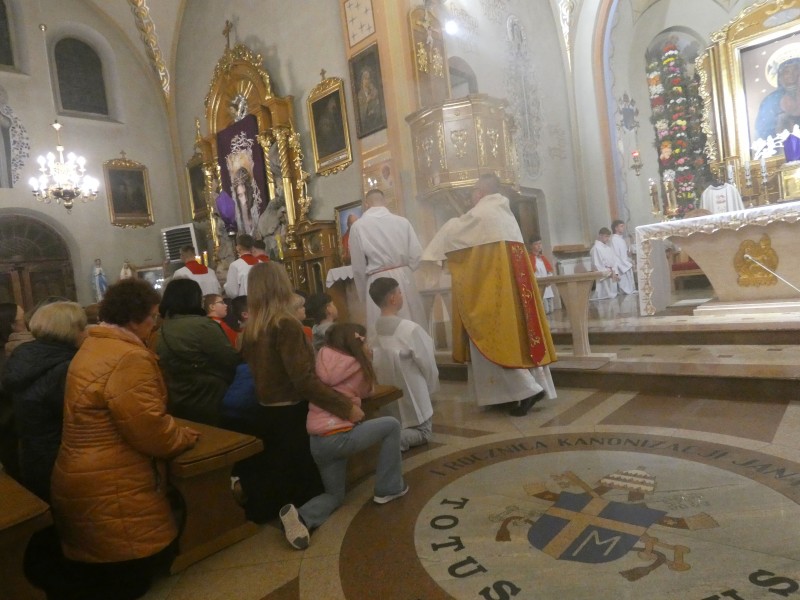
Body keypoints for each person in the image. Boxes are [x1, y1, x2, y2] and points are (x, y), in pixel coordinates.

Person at [44, 279, 199, 600]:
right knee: (128, 578)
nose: (155, 323)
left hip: (83, 471)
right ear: (133, 318)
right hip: (113, 479)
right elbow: (149, 428)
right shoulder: (129, 357)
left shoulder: (95, 344)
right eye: (152, 316)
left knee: (101, 563)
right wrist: (181, 437)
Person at [422, 173, 557, 417]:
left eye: (474, 191)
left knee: (493, 338)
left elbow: (453, 233)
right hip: (515, 297)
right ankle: (508, 395)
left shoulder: (482, 214)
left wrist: (431, 255)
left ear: (481, 192)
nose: (471, 196)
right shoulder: (505, 214)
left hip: (493, 297)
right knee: (519, 341)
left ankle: (527, 389)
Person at [236, 262, 357, 524]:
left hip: (267, 411)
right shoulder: (285, 325)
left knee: (280, 477)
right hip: (293, 414)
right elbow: (304, 381)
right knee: (307, 486)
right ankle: (298, 520)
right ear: (281, 286)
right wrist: (344, 406)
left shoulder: (251, 330)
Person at [279, 322, 406, 550]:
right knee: (391, 425)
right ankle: (389, 488)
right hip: (340, 437)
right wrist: (368, 361)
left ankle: (301, 517)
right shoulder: (358, 365)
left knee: (334, 496)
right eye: (365, 340)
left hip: (318, 441)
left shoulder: (322, 356)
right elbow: (369, 391)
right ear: (356, 342)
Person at [2, 302, 86, 501]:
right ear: (69, 330)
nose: (86, 332)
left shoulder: (24, 354)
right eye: (82, 327)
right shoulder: (65, 366)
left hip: (30, 452)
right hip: (60, 455)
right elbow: (77, 417)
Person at [156, 279, 240, 426]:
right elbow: (231, 359)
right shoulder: (204, 326)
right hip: (210, 396)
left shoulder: (161, 330)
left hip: (177, 397)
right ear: (194, 298)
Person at [369, 277, 438, 452]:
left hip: (390, 399)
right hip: (413, 394)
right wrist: (430, 388)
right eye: (400, 292)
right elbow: (428, 364)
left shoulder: (374, 330)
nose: (402, 296)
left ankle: (387, 434)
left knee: (397, 424)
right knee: (423, 433)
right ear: (393, 298)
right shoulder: (410, 329)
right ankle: (388, 440)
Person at [349, 188, 426, 338]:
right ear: (384, 202)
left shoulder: (358, 226)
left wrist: (364, 295)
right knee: (411, 324)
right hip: (404, 278)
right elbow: (417, 254)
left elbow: (358, 267)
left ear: (366, 204)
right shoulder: (403, 222)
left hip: (377, 282)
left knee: (383, 332)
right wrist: (405, 271)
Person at [756, 57, 800, 141]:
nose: (792, 75)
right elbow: (763, 130)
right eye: (787, 71)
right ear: (780, 76)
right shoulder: (770, 101)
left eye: (795, 70)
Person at [590, 227, 621, 300]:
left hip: (611, 273)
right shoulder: (596, 248)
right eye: (606, 236)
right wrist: (609, 273)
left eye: (608, 236)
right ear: (600, 236)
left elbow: (614, 262)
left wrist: (615, 272)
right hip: (605, 276)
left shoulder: (608, 248)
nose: (608, 239)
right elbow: (597, 265)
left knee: (613, 296)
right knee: (604, 296)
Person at [528, 235, 555, 314]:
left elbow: (549, 271)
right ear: (531, 246)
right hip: (540, 287)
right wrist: (542, 281)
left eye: (540, 243)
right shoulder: (530, 259)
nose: (539, 246)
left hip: (547, 286)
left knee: (551, 309)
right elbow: (532, 273)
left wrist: (549, 279)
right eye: (536, 244)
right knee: (545, 310)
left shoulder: (542, 258)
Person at [610, 220, 636, 295]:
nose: (623, 228)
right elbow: (615, 255)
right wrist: (626, 264)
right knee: (625, 288)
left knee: (630, 288)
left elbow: (624, 253)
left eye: (623, 226)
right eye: (621, 226)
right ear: (616, 228)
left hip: (625, 264)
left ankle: (630, 290)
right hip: (621, 266)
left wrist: (628, 254)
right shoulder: (614, 239)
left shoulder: (620, 239)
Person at [232, 167, 259, 236]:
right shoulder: (237, 218)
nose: (245, 199)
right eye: (240, 195)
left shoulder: (257, 210)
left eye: (246, 194)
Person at [357, 66, 383, 133]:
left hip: (375, 121)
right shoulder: (360, 95)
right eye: (365, 78)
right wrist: (367, 101)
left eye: (368, 78)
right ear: (362, 80)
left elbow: (379, 105)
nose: (367, 81)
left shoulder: (374, 91)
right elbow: (360, 114)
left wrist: (374, 110)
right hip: (366, 124)